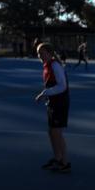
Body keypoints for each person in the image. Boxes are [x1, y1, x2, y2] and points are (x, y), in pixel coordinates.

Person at [34, 42, 71, 173]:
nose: (40, 55)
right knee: (52, 131)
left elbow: (62, 86)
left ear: (49, 53)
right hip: (54, 101)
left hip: (60, 103)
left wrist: (45, 93)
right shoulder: (48, 65)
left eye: (42, 53)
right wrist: (47, 95)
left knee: (56, 132)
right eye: (38, 53)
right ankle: (58, 158)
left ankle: (64, 162)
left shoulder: (55, 65)